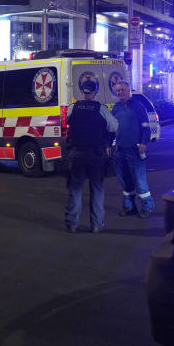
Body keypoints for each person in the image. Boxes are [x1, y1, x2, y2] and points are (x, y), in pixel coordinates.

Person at [63, 78, 117, 233]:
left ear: (82, 91)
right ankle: (96, 225)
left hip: (77, 154)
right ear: (95, 92)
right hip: (96, 155)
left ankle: (72, 224)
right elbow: (114, 127)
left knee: (75, 189)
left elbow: (67, 122)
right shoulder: (101, 109)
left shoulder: (73, 107)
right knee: (97, 190)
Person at [111, 81, 153, 218]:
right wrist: (108, 145)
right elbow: (111, 129)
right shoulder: (116, 108)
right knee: (124, 180)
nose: (120, 93)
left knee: (139, 181)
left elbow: (146, 127)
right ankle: (129, 207)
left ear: (129, 90)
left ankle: (147, 206)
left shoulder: (138, 106)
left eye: (122, 90)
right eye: (118, 91)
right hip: (119, 150)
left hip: (134, 150)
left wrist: (144, 142)